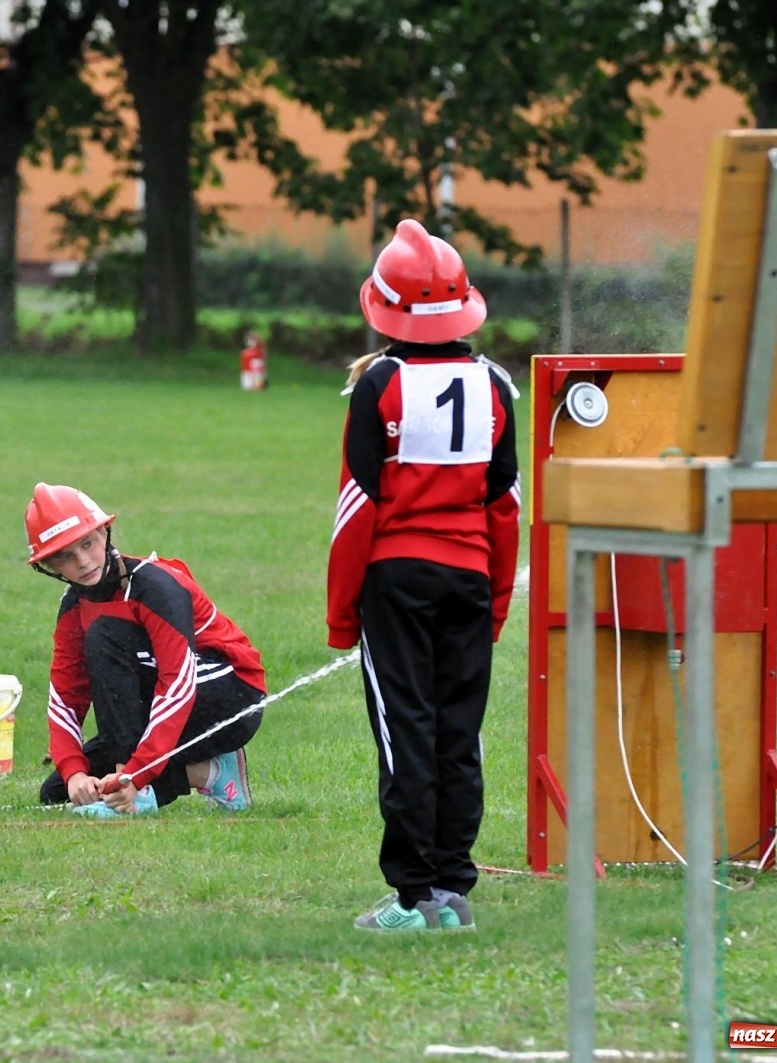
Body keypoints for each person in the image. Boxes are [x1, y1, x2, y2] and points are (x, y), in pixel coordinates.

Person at [327, 219, 520, 931]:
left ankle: (412, 897)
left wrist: (342, 614)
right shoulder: (496, 384)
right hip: (470, 578)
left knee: (403, 728)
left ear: (384, 308)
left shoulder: (377, 384)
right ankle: (452, 888)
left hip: (396, 580)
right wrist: (496, 599)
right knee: (456, 732)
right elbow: (505, 506)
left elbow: (357, 510)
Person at [25, 483, 265, 817]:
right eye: (65, 556)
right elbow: (66, 695)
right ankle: (209, 772)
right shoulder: (73, 605)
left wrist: (134, 775)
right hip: (161, 704)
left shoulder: (156, 587)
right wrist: (73, 771)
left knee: (104, 633)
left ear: (105, 533)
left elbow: (177, 686)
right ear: (50, 567)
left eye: (87, 543)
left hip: (230, 700)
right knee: (56, 793)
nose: (82, 561)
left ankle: (141, 793)